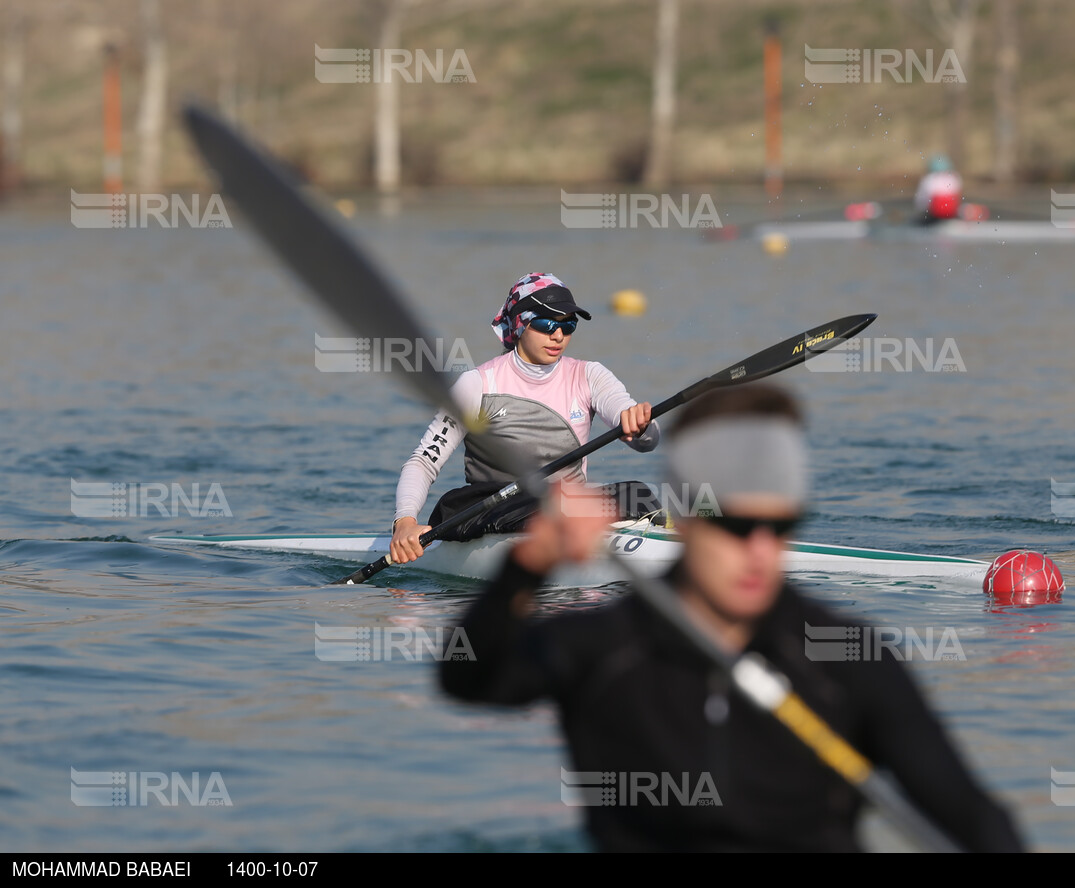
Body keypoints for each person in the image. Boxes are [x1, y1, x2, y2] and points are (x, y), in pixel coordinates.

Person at [440, 383, 1027, 852]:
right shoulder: (603, 647)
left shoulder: (844, 655)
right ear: (687, 519)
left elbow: (968, 811)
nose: (762, 553)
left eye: (781, 529)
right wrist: (528, 566)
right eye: (739, 529)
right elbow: (464, 677)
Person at [390, 272, 661, 564]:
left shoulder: (589, 375)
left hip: (566, 508)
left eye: (568, 325)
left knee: (640, 494)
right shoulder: (477, 384)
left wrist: (640, 426)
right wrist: (404, 522)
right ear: (519, 323)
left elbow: (647, 439)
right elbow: (425, 460)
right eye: (546, 324)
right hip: (492, 506)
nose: (558, 335)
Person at [914, 154, 963, 223]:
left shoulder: (928, 179)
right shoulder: (955, 177)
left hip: (932, 216)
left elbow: (920, 203)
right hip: (952, 215)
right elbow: (958, 199)